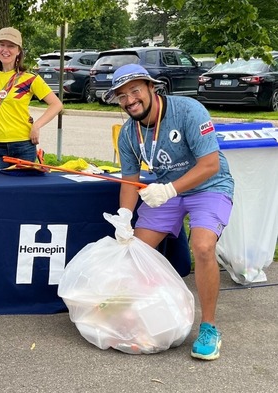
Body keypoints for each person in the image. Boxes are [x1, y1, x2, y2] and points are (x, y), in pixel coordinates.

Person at [104, 64, 234, 361]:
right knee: (135, 251)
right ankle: (138, 316)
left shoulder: (188, 110)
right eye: (122, 95)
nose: (130, 100)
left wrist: (170, 190)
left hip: (209, 186)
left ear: (153, 88)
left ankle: (209, 327)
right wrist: (124, 216)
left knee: (202, 246)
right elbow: (130, 180)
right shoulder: (128, 132)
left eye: (135, 90)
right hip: (167, 190)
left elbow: (210, 165)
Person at [0, 27, 62, 169]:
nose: (5, 50)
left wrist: (36, 126)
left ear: (18, 51)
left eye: (11, 46)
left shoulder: (29, 78)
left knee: (25, 190)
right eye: (2, 45)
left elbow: (56, 104)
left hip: (23, 144)